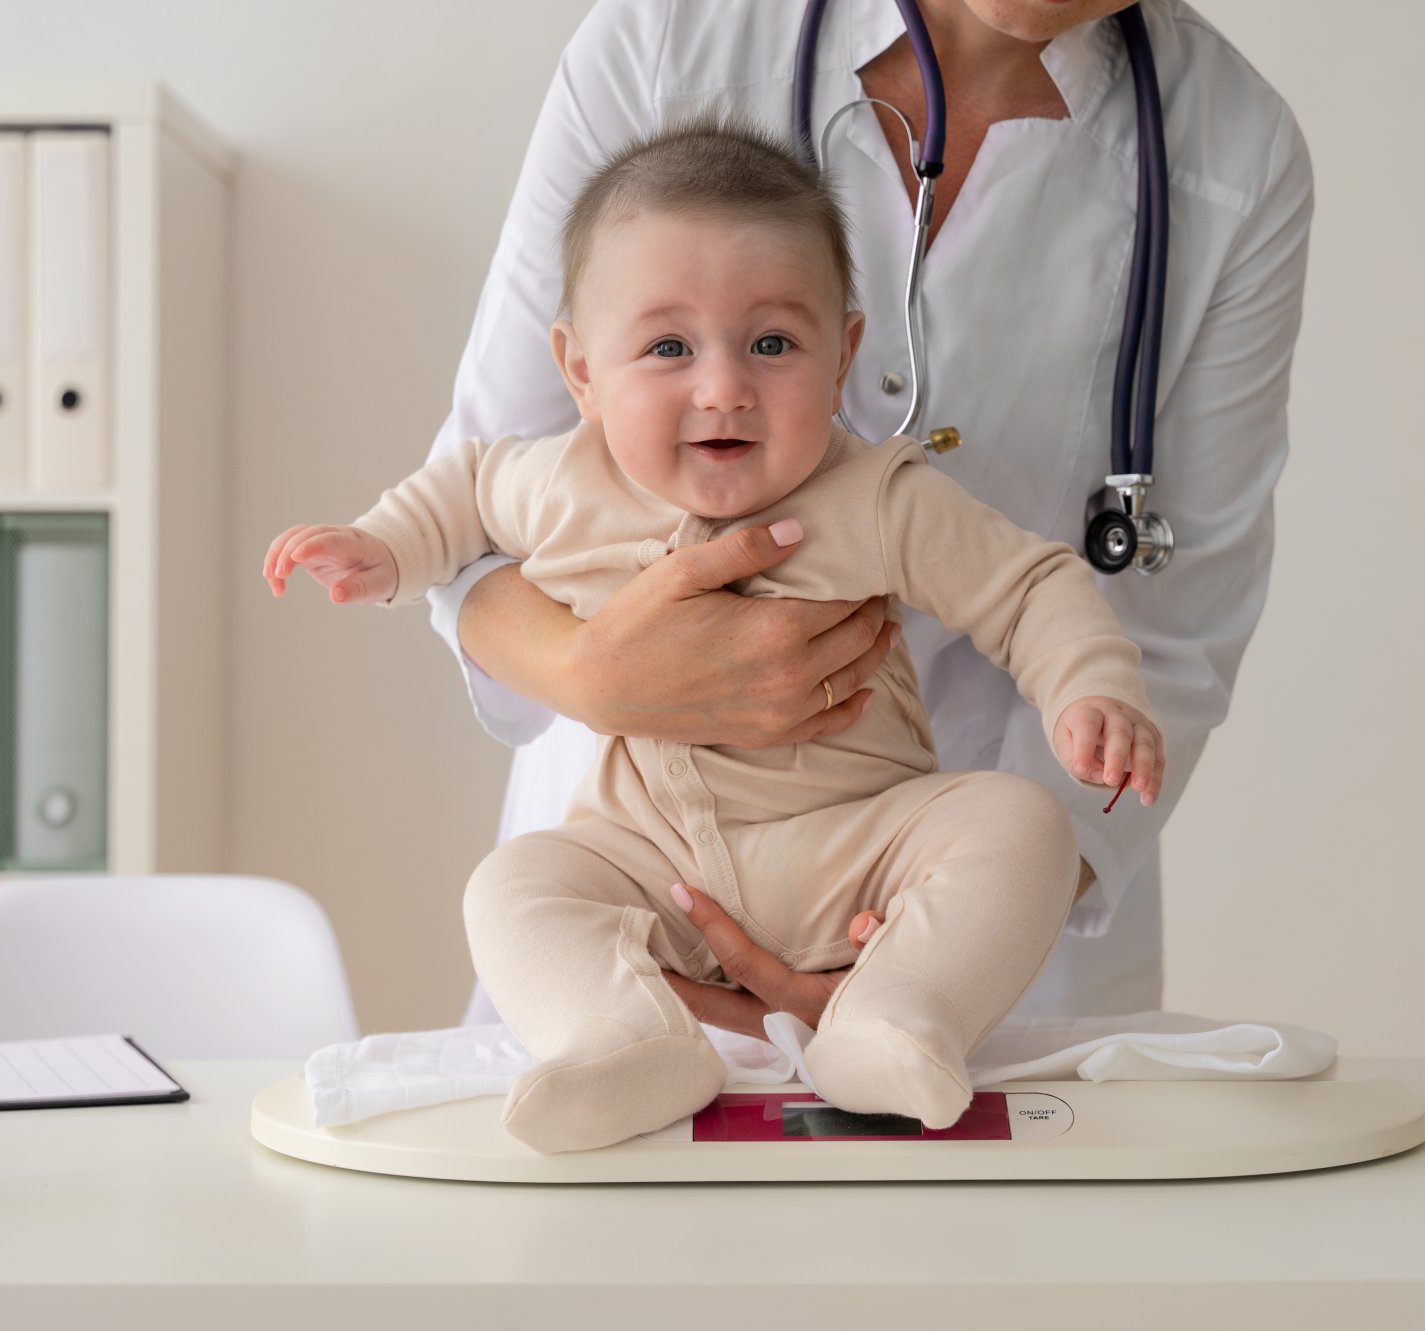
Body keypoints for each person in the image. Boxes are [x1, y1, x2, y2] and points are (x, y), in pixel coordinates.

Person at [263, 116, 1165, 1152]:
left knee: (1020, 824)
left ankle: (893, 1014)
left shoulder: (878, 496)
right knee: (514, 883)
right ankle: (627, 1038)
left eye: (773, 342)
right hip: (651, 862)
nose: (723, 385)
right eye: (666, 346)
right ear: (580, 371)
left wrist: (1089, 689)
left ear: (843, 357)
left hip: (856, 848)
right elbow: (459, 490)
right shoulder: (557, 481)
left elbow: (1030, 584)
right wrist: (381, 546)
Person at [420, 0, 1313, 1030]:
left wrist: (922, 961)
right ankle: (617, 1044)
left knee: (941, 1128)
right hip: (641, 896)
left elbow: (1165, 635)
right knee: (609, 1094)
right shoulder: (671, 37)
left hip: (973, 953)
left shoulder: (1230, 152)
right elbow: (479, 504)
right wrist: (589, 673)